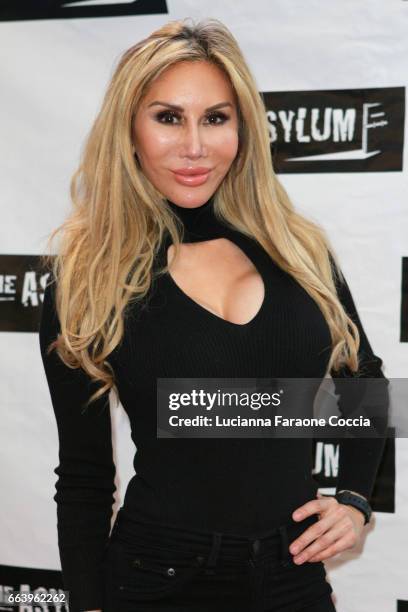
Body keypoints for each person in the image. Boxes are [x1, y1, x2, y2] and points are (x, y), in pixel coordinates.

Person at [38, 17, 389, 612]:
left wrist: (354, 499)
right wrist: (88, 603)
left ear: (242, 127)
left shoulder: (298, 250)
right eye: (168, 117)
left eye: (216, 118)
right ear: (129, 129)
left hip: (292, 573)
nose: (195, 146)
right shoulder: (88, 276)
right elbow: (84, 475)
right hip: (156, 577)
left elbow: (365, 377)